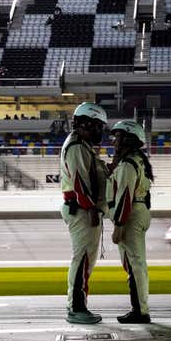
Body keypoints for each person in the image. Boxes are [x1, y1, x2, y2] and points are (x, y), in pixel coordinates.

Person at [59, 102, 110, 324]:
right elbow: (80, 182)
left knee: (85, 260)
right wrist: (90, 209)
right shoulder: (78, 147)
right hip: (81, 209)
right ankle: (76, 308)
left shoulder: (82, 145)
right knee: (82, 260)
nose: (101, 132)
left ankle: (78, 306)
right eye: (98, 126)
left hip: (81, 208)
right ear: (85, 123)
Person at [106, 120, 154, 324]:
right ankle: (139, 309)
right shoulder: (137, 161)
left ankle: (140, 311)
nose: (114, 140)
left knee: (135, 265)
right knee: (134, 264)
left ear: (127, 139)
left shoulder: (128, 164)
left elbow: (124, 197)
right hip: (138, 212)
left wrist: (118, 226)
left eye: (117, 137)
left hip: (130, 215)